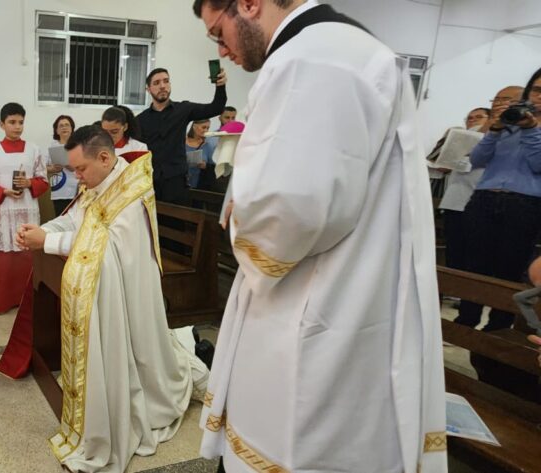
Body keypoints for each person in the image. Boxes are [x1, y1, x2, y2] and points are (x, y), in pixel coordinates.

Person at [192, 1, 447, 472]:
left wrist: (241, 208)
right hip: (353, 289)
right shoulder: (343, 49)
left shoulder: (309, 60)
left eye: (218, 32)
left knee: (302, 439)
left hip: (318, 302)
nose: (221, 49)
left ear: (248, 4)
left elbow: (290, 211)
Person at [15, 126, 206, 473]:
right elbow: (74, 220)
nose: (77, 177)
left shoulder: (131, 194)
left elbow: (106, 250)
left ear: (104, 157)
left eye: (80, 169)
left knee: (142, 355)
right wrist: (44, 231)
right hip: (111, 283)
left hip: (133, 295)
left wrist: (49, 242)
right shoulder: (97, 182)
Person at [454, 75, 541, 331]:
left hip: (526, 204)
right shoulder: (509, 125)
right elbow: (478, 160)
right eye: (535, 90)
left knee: (510, 269)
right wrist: (493, 128)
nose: (538, 96)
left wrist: (531, 129)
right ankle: (465, 323)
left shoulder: (528, 127)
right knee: (474, 266)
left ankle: (499, 330)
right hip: (484, 197)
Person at [0, 103, 49, 314]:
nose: (17, 127)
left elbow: (43, 180)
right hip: (4, 213)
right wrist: (4, 192)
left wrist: (29, 184)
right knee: (4, 258)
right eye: (12, 122)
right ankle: (1, 301)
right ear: (2, 124)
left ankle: (26, 301)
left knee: (27, 256)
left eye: (21, 122)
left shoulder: (34, 150)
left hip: (27, 211)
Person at [137, 67, 227, 204]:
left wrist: (220, 86)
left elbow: (216, 107)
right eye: (156, 83)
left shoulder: (183, 109)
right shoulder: (140, 120)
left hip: (176, 181)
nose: (162, 86)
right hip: (149, 182)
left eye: (166, 81)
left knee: (176, 223)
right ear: (148, 89)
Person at [436, 107, 490, 273]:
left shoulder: (491, 139)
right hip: (454, 201)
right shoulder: (458, 139)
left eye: (478, 117)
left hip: (477, 201)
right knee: (454, 252)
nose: (472, 120)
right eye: (469, 117)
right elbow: (443, 167)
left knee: (475, 254)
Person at [45, 115, 78, 217]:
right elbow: (43, 167)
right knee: (60, 219)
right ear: (57, 131)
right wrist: (51, 169)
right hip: (59, 190)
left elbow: (83, 166)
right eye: (61, 126)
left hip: (76, 190)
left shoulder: (78, 146)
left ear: (72, 129)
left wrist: (69, 165)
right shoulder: (52, 146)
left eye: (67, 125)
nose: (64, 127)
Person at [185, 119, 217, 189]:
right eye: (203, 127)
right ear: (194, 126)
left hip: (198, 184)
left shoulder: (207, 146)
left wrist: (205, 166)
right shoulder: (181, 142)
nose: (206, 130)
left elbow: (213, 167)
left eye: (208, 128)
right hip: (179, 182)